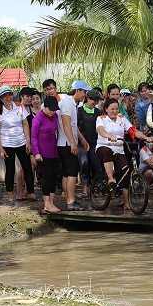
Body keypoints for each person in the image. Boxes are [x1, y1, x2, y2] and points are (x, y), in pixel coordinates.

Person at [96, 98, 153, 209]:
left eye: (117, 109)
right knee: (107, 152)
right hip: (104, 147)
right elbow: (100, 130)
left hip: (119, 149)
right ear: (106, 109)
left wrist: (146, 137)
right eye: (112, 109)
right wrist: (109, 136)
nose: (115, 111)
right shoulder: (101, 118)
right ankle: (110, 178)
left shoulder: (122, 118)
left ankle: (127, 203)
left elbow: (132, 130)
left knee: (126, 174)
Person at [0, 85, 35, 202]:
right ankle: (10, 195)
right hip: (7, 144)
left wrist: (28, 141)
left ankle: (30, 192)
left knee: (27, 168)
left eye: (9, 95)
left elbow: (25, 124)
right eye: (4, 96)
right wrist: (0, 149)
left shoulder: (19, 106)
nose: (8, 98)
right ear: (0, 98)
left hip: (22, 142)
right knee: (10, 170)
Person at [58, 80, 92, 211]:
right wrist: (73, 142)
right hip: (66, 143)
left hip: (67, 142)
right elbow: (66, 125)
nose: (85, 95)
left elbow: (73, 126)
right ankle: (71, 201)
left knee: (67, 173)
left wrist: (82, 140)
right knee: (71, 173)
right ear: (77, 90)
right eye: (84, 92)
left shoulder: (72, 103)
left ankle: (69, 199)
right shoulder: (67, 103)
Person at [31, 96, 61, 213]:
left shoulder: (55, 116)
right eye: (51, 109)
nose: (52, 112)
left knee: (54, 176)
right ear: (45, 107)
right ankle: (46, 203)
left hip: (53, 150)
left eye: (54, 110)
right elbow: (33, 137)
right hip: (42, 153)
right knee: (47, 176)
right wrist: (36, 152)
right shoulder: (38, 118)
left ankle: (52, 203)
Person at [77, 89, 104, 197]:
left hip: (94, 142)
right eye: (94, 100)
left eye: (97, 100)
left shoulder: (98, 113)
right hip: (82, 143)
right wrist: (82, 140)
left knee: (96, 164)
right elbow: (76, 127)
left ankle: (97, 187)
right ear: (88, 98)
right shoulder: (79, 111)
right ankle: (85, 189)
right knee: (84, 164)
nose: (96, 103)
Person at [16, 87, 39, 200]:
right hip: (22, 141)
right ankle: (19, 192)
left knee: (32, 166)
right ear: (22, 97)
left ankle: (28, 191)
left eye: (31, 96)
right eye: (28, 96)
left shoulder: (30, 109)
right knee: (24, 168)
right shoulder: (18, 109)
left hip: (31, 141)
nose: (30, 98)